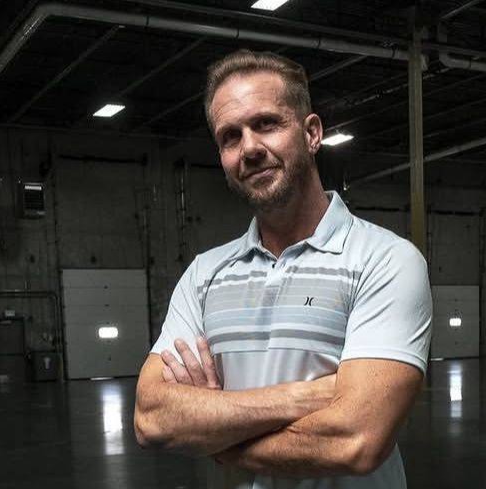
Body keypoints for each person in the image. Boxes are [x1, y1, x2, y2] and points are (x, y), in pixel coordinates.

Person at [133, 49, 432, 489]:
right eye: (230, 137)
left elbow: (355, 441)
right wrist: (305, 396)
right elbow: (152, 417)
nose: (250, 148)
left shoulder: (384, 260)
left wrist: (217, 436)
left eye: (267, 124)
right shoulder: (203, 276)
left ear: (312, 133)